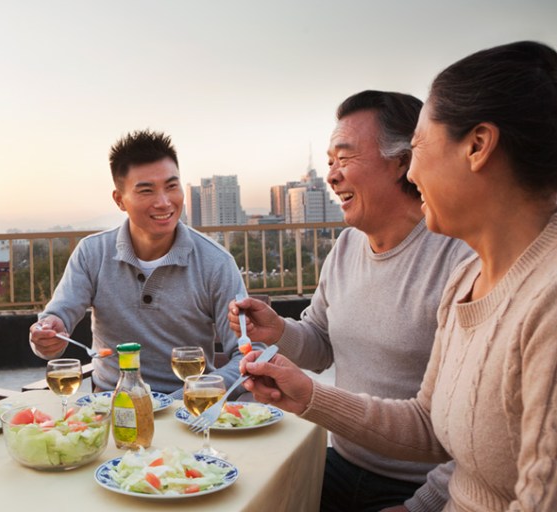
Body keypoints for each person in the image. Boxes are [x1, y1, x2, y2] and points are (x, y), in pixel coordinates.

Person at [239, 41, 557, 511]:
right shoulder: (470, 277)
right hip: (350, 461)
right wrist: (307, 389)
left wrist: (420, 505)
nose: (415, 169)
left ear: (477, 146)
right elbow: (434, 425)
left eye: (420, 146)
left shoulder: (536, 300)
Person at [230, 90, 472, 512]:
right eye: (329, 162)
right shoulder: (344, 247)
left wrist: (424, 505)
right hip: (339, 459)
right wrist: (280, 330)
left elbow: (476, 427)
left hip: (418, 485)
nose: (332, 175)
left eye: (345, 158)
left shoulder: (461, 258)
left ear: (403, 161)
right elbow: (322, 344)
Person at [29, 130, 247, 397]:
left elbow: (248, 355)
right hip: (111, 407)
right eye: (146, 190)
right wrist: (48, 335)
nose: (164, 202)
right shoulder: (92, 252)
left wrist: (186, 397)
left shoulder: (216, 263)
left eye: (171, 186)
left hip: (188, 410)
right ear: (120, 200)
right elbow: (56, 322)